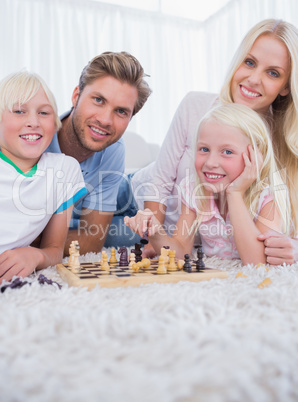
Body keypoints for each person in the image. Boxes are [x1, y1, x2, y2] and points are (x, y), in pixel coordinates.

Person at [130, 18, 298, 264]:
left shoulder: (282, 149)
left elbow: (264, 247)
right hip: (136, 198)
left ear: (286, 86)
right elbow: (160, 182)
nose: (253, 79)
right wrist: (149, 235)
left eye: (273, 73)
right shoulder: (195, 106)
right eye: (249, 62)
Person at [125, 104, 291, 264]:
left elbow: (257, 261)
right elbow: (181, 251)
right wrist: (156, 233)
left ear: (254, 156)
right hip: (137, 182)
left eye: (227, 152)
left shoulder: (269, 195)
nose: (211, 162)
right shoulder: (193, 190)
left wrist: (235, 194)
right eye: (204, 149)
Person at [46, 51, 152, 256]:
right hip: (87, 212)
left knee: (161, 229)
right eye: (98, 100)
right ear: (76, 96)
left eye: (121, 111)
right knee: (130, 235)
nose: (105, 120)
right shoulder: (35, 139)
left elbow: (92, 241)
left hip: (130, 190)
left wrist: (34, 241)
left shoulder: (113, 148)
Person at [0, 71, 87, 284]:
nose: (33, 122)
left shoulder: (64, 169)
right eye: (19, 111)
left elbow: (55, 249)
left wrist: (35, 255)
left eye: (44, 113)